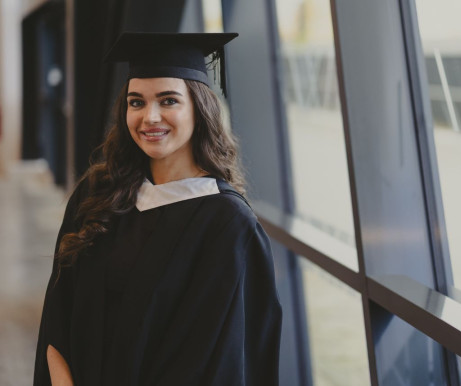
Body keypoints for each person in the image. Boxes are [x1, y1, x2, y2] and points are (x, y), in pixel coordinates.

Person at [33, 32, 282, 386]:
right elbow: (58, 313)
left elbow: (218, 360)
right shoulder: (97, 193)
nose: (150, 117)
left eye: (168, 101)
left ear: (199, 107)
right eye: (136, 102)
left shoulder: (227, 224)